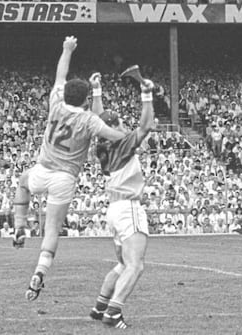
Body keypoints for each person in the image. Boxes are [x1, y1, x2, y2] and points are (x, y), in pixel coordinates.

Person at [11, 36, 125, 302]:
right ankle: (40, 271)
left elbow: (60, 73)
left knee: (23, 182)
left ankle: (19, 226)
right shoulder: (88, 120)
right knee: (52, 230)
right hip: (64, 178)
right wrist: (138, 133)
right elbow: (112, 135)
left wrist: (67, 49)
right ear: (85, 100)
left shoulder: (55, 102)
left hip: (42, 169)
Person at [88, 77, 156, 329]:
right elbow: (146, 125)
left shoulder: (102, 143)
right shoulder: (122, 140)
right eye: (119, 121)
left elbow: (98, 117)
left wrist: (96, 90)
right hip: (128, 207)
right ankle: (114, 311)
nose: (123, 123)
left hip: (113, 210)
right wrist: (146, 94)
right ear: (115, 125)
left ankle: (100, 306)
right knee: (135, 265)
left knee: (122, 264)